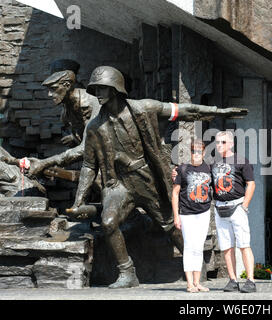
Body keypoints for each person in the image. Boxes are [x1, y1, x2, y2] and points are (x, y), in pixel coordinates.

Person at [71, 66, 248, 289]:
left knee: (171, 227)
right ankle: (127, 272)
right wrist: (79, 201)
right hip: (118, 184)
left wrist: (219, 111)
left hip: (147, 179)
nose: (98, 93)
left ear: (116, 89)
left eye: (103, 88)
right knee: (108, 223)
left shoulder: (143, 108)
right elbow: (88, 165)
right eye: (95, 88)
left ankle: (196, 270)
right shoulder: (94, 127)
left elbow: (185, 110)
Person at [173, 130, 257, 293]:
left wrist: (245, 205)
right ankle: (232, 280)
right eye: (217, 142)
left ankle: (250, 280)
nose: (219, 145)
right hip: (220, 207)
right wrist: (176, 172)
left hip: (237, 205)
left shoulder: (242, 161)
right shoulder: (212, 164)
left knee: (244, 244)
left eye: (223, 142)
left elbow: (251, 183)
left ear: (231, 143)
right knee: (226, 246)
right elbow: (196, 171)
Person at [27, 60, 101, 176]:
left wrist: (44, 163)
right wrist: (75, 138)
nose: (49, 94)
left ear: (67, 85)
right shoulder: (66, 113)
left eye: (53, 89)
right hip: (92, 164)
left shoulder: (93, 102)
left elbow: (86, 147)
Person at [172, 140, 212, 293]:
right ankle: (189, 283)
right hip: (187, 213)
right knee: (189, 247)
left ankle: (197, 282)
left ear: (203, 153)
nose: (196, 154)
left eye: (198, 151)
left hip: (204, 212)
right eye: (193, 151)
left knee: (199, 246)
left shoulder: (209, 168)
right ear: (190, 152)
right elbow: (175, 193)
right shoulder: (182, 169)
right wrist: (176, 216)